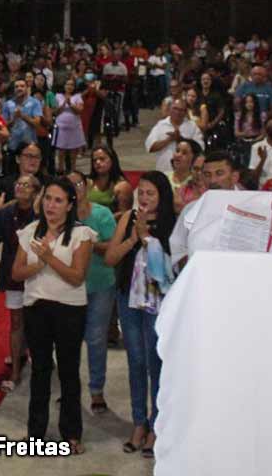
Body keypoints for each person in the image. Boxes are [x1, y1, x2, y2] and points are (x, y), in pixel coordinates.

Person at [10, 178, 94, 454]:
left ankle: (71, 433)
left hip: (70, 309)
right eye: (48, 198)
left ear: (70, 205)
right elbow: (16, 273)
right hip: (37, 307)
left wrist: (48, 257)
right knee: (40, 371)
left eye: (58, 200)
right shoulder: (30, 231)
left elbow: (76, 276)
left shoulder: (81, 235)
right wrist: (38, 263)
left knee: (69, 371)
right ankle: (36, 434)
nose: (51, 205)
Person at [104, 171, 178, 459]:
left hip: (158, 305)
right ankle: (138, 423)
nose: (144, 198)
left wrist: (151, 239)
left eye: (151, 193)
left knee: (155, 363)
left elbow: (175, 266)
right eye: (141, 192)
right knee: (135, 362)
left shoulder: (172, 223)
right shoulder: (127, 219)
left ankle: (157, 427)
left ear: (162, 195)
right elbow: (111, 258)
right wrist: (133, 237)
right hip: (129, 301)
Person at [66, 171, 120, 417]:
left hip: (99, 285)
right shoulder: (62, 214)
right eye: (68, 185)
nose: (74, 188)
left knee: (96, 339)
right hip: (68, 285)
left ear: (86, 185)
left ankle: (96, 389)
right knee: (68, 340)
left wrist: (88, 244)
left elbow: (112, 247)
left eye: (77, 183)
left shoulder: (102, 214)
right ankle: (70, 389)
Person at [0, 174, 41, 393]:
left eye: (26, 185)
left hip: (38, 274)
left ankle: (38, 359)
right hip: (13, 274)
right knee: (16, 320)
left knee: (39, 319)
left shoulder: (42, 214)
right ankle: (16, 371)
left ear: (36, 191)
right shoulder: (6, 212)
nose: (20, 187)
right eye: (18, 183)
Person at [145, 99, 204, 172]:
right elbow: (151, 147)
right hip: (164, 171)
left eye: (181, 110)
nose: (177, 112)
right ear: (170, 109)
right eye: (175, 108)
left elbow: (200, 149)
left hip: (186, 174)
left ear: (185, 112)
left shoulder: (192, 127)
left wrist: (180, 139)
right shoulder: (160, 125)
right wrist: (169, 140)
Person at [52, 79, 87, 174]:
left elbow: (79, 110)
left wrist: (70, 104)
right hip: (61, 127)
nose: (69, 86)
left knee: (73, 150)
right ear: (64, 85)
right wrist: (63, 104)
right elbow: (54, 111)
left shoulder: (77, 96)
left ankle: (72, 170)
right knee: (61, 150)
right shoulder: (58, 96)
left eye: (72, 85)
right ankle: (60, 169)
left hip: (74, 127)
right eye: (67, 84)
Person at [87, 146, 134, 214]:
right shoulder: (88, 183)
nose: (97, 162)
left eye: (102, 159)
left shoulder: (122, 186)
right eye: (94, 160)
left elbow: (124, 214)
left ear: (112, 160)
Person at [246, 117, 272, 190]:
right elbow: (254, 177)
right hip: (262, 190)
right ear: (265, 129)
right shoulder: (256, 147)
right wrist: (262, 159)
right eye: (270, 127)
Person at [169, 139, 204, 211]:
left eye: (184, 153)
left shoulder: (198, 181)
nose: (178, 155)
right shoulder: (163, 177)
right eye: (177, 151)